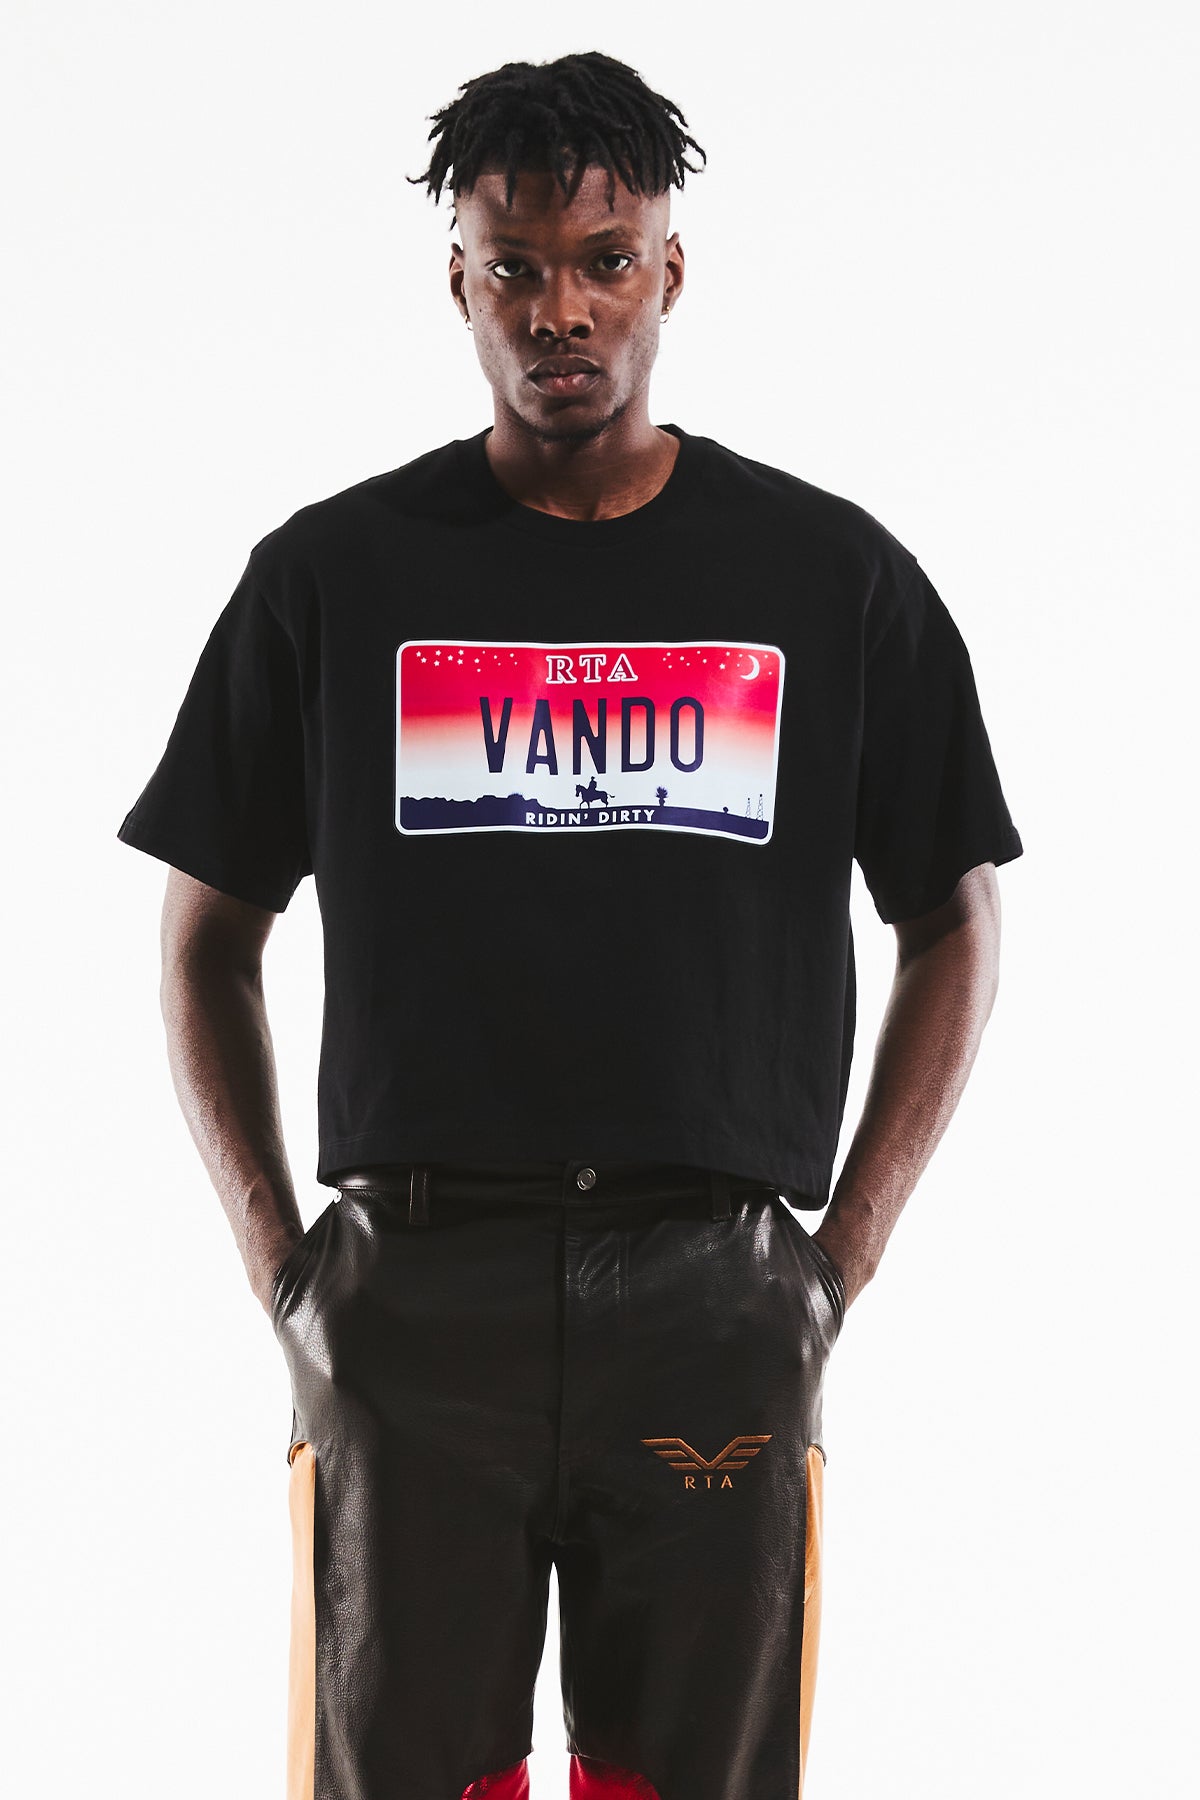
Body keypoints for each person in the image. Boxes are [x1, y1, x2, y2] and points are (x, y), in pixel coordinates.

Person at [116, 49, 1023, 1800]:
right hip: (412, 1299)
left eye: (605, 261)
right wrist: (287, 1272)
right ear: (456, 278)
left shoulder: (825, 577)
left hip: (713, 1296)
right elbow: (204, 935)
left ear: (670, 267)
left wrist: (835, 1264)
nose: (561, 311)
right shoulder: (334, 577)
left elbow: (956, 918)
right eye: (514, 265)